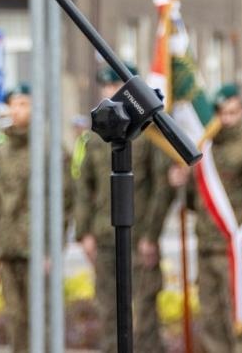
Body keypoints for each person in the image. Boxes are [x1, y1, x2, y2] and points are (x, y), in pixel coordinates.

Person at [71, 63, 174, 353]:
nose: (108, 92)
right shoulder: (94, 137)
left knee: (143, 314)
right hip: (104, 237)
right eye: (104, 87)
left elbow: (160, 188)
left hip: (139, 238)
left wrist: (151, 235)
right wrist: (84, 233)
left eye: (114, 86)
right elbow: (83, 188)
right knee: (108, 311)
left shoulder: (148, 134)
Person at [181, 83, 242, 353]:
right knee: (211, 320)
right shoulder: (203, 153)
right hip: (207, 248)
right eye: (222, 113)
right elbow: (193, 202)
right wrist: (182, 180)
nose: (227, 120)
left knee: (239, 321)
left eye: (233, 113)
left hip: (238, 250)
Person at [0, 82, 68, 353]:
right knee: (15, 320)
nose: (17, 110)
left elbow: (62, 203)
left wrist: (52, 248)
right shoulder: (0, 153)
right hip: (9, 248)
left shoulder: (49, 150)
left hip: (37, 249)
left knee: (41, 320)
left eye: (24, 104)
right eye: (13, 104)